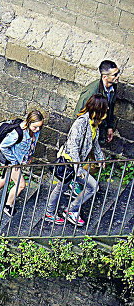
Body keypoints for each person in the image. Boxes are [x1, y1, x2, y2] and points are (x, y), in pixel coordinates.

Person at [44, 94, 108, 227]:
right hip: (69, 162)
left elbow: (94, 143)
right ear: (98, 109)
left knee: (92, 187)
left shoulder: (94, 124)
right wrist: (78, 168)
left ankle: (71, 209)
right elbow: (73, 146)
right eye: (105, 109)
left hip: (76, 164)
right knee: (61, 188)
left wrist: (100, 158)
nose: (107, 111)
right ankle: (50, 213)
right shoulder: (81, 123)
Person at [0, 109, 45, 215]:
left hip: (17, 161)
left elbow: (31, 145)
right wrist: (14, 161)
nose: (37, 129)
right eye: (35, 127)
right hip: (12, 162)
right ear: (28, 123)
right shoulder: (18, 133)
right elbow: (3, 146)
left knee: (5, 179)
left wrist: (29, 157)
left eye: (39, 127)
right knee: (21, 185)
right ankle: (8, 205)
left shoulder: (35, 132)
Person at [75, 60, 121, 144]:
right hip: (88, 130)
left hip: (99, 127)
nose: (118, 76)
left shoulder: (113, 86)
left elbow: (110, 108)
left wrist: (110, 127)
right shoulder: (91, 92)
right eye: (115, 75)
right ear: (104, 77)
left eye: (118, 73)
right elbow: (79, 114)